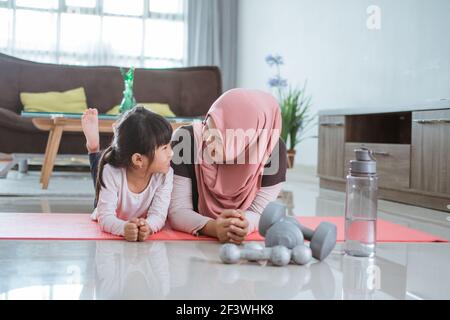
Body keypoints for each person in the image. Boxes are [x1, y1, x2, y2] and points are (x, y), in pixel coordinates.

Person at [169, 88, 287, 244]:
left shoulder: (272, 149)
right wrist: (213, 228)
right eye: (206, 128)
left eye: (217, 137)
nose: (206, 140)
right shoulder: (186, 140)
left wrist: (242, 225)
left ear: (246, 140)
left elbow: (261, 213)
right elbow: (178, 211)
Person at [81, 106, 174, 241]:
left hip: (136, 214)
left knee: (105, 173)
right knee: (102, 172)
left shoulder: (165, 174)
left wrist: (148, 226)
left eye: (169, 145)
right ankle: (93, 148)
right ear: (138, 159)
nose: (171, 153)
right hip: (112, 203)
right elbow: (106, 217)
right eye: (165, 148)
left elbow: (159, 215)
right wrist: (124, 228)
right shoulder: (111, 172)